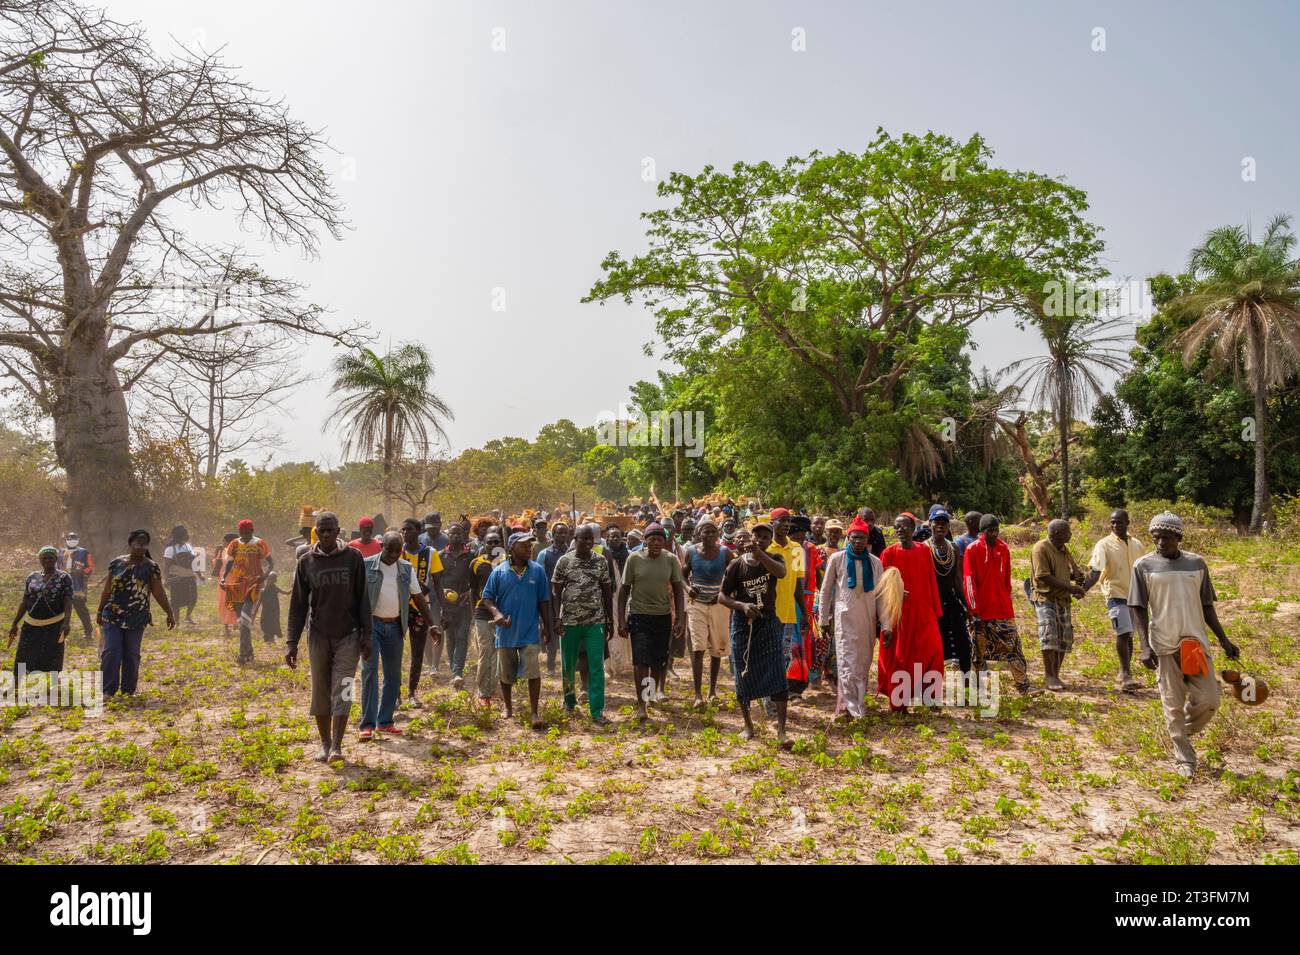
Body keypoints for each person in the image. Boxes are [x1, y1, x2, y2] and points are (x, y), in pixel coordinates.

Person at [1130, 512, 1239, 778]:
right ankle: (1184, 759)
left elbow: (1207, 606)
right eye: (1156, 537)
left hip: (1195, 644)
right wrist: (1145, 646)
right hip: (1165, 644)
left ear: (1178, 537)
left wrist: (1224, 640)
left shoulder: (1197, 564)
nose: (1160, 542)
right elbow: (1138, 607)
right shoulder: (1143, 566)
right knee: (1172, 702)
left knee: (1210, 700)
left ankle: (1180, 729)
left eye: (1166, 537)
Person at [286, 511, 372, 764]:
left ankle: (337, 745)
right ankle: (324, 743)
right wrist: (292, 642)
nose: (325, 534)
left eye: (329, 530)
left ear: (338, 531)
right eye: (321, 530)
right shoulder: (306, 561)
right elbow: (298, 605)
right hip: (319, 635)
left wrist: (367, 636)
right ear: (316, 532)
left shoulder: (353, 558)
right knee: (321, 691)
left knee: (344, 688)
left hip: (349, 634)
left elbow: (363, 599)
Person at [719, 526, 789, 743]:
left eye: (765, 537)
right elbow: (722, 596)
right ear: (750, 537)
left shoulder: (774, 558)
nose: (760, 539)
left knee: (777, 673)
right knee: (742, 673)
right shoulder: (736, 565)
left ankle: (782, 731)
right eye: (757, 535)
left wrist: (760, 555)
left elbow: (781, 573)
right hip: (743, 625)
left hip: (768, 622)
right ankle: (748, 726)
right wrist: (741, 605)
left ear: (770, 541)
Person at [360, 532, 432, 739]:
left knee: (393, 676)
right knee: (370, 672)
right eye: (389, 549)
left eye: (396, 551)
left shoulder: (405, 569)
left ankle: (385, 721)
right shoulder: (366, 566)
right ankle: (367, 725)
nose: (392, 554)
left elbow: (418, 598)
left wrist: (432, 623)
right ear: (381, 545)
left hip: (395, 627)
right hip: (371, 626)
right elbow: (355, 597)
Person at [480, 530, 554, 729]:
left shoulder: (537, 571)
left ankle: (534, 712)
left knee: (533, 671)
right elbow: (487, 597)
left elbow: (544, 601)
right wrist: (497, 614)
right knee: (505, 673)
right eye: (524, 545)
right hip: (506, 632)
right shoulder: (499, 571)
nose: (529, 548)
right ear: (512, 548)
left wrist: (547, 627)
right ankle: (508, 708)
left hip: (530, 630)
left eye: (530, 545)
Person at [819, 516, 887, 719]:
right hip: (844, 620)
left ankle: (858, 703)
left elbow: (882, 596)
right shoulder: (837, 559)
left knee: (863, 663)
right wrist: (823, 620)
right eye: (854, 538)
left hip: (867, 620)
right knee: (846, 662)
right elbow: (825, 590)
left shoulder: (875, 563)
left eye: (862, 538)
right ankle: (848, 709)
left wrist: (886, 624)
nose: (858, 542)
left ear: (867, 540)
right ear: (848, 538)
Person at [963, 515, 1039, 696]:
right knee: (977, 652)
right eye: (991, 531)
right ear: (982, 532)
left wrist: (1007, 601)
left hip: (1002, 609)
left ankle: (1023, 686)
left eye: (996, 530)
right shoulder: (972, 550)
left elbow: (1007, 581)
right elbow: (969, 581)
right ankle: (976, 691)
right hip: (980, 612)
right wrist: (974, 611)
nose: (994, 534)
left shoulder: (1003, 548)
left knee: (1014, 646)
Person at [617, 523, 686, 719]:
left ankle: (651, 694)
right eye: (652, 539)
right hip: (639, 616)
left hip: (662, 616)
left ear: (664, 542)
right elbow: (624, 591)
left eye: (659, 540)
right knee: (641, 661)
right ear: (645, 541)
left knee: (658, 661)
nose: (656, 543)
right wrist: (621, 620)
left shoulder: (671, 560)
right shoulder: (634, 559)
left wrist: (679, 617)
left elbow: (678, 589)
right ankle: (641, 705)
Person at [96, 530, 176, 697]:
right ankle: (107, 690)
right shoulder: (116, 563)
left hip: (137, 617)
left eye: (144, 544)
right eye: (137, 544)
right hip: (112, 614)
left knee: (132, 654)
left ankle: (128, 690)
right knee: (111, 651)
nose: (141, 547)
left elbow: (158, 592)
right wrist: (99, 610)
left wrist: (169, 612)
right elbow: (107, 589)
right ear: (130, 544)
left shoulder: (151, 567)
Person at [878, 513, 945, 712]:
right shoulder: (888, 554)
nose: (900, 530)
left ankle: (930, 696)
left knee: (933, 651)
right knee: (901, 657)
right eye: (897, 527)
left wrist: (935, 609)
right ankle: (900, 702)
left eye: (904, 526)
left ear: (913, 528)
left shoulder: (924, 551)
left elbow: (931, 580)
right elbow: (882, 588)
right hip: (899, 613)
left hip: (923, 611)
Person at [552, 524, 614, 724]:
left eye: (591, 540)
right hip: (570, 622)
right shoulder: (564, 561)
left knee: (596, 666)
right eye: (584, 539)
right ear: (575, 538)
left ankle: (597, 711)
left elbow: (606, 590)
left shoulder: (601, 561)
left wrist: (610, 619)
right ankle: (569, 703)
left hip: (595, 622)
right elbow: (556, 593)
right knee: (568, 665)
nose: (588, 543)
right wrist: (557, 618)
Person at [1082, 509, 1146, 692]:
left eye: (1119, 522)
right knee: (1123, 632)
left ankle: (1124, 673)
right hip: (1115, 594)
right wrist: (1082, 589)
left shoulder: (1137, 545)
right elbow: (1095, 570)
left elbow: (1143, 570)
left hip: (1134, 596)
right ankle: (1125, 675)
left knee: (1129, 635)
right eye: (1112, 522)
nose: (1115, 525)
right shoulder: (1104, 545)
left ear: (1128, 522)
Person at [1029, 519, 1086, 691]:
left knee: (1063, 638)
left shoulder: (1063, 550)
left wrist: (1075, 576)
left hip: (1062, 599)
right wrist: (1071, 587)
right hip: (1045, 597)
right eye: (1067, 532)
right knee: (1049, 636)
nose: (1070, 534)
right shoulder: (1041, 548)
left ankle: (1056, 674)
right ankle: (1049, 675)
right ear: (1056, 534)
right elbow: (1044, 576)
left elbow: (1060, 572)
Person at [682, 519, 733, 706]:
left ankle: (712, 691)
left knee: (716, 648)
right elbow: (682, 575)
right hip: (697, 604)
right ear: (699, 534)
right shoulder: (692, 552)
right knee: (697, 647)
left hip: (719, 605)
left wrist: (723, 592)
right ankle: (697, 695)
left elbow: (733, 573)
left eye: (713, 532)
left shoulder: (725, 553)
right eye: (706, 532)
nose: (710, 535)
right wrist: (688, 589)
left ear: (718, 534)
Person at [8, 546, 74, 680]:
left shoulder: (64, 577)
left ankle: (55, 686)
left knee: (53, 654)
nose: (47, 560)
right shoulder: (32, 577)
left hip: (54, 623)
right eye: (44, 558)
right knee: (23, 653)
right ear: (40, 560)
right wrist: (15, 623)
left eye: (50, 557)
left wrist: (66, 623)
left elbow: (68, 602)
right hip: (31, 623)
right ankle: (15, 683)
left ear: (56, 559)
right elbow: (25, 601)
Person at [220, 520, 273, 665]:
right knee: (242, 622)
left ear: (252, 531)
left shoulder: (259, 543)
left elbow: (271, 563)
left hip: (253, 584)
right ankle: (249, 653)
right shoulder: (235, 544)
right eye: (241, 533)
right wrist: (223, 579)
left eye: (246, 533)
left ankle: (243, 655)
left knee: (244, 619)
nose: (243, 536)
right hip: (237, 585)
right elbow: (229, 563)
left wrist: (265, 576)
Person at [766, 508, 804, 710]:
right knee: (770, 656)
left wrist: (804, 613)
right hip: (769, 613)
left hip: (789, 613)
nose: (786, 525)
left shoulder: (797, 549)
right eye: (782, 521)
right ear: (773, 523)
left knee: (785, 657)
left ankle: (776, 695)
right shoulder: (766, 548)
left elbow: (798, 583)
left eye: (788, 521)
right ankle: (770, 700)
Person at [927, 510, 972, 677]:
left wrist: (966, 605)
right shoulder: (924, 548)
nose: (941, 525)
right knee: (933, 646)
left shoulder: (953, 547)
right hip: (932, 603)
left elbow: (957, 579)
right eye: (937, 522)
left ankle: (966, 687)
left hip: (951, 601)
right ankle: (930, 687)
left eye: (944, 522)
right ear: (930, 524)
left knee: (963, 644)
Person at [470, 530, 505, 705]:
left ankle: (493, 689)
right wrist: (472, 614)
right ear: (483, 543)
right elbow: (473, 590)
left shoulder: (507, 563)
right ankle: (483, 693)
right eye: (489, 542)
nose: (492, 545)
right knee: (485, 651)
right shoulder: (476, 564)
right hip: (482, 613)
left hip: (502, 614)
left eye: (496, 542)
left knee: (499, 653)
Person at [436, 521, 471, 692]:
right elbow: (436, 580)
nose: (455, 536)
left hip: (464, 604)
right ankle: (454, 672)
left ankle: (457, 671)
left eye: (459, 533)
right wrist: (443, 591)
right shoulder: (441, 555)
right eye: (452, 534)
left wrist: (469, 593)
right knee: (450, 638)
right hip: (447, 604)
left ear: (464, 536)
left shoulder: (471, 555)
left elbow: (476, 580)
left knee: (462, 637)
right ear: (448, 536)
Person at [56, 532, 94, 644]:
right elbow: (57, 566)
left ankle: (88, 633)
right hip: (62, 585)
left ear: (78, 539)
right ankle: (60, 633)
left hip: (78, 585)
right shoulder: (60, 552)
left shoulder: (84, 552)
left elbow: (90, 567)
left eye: (74, 538)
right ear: (65, 540)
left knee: (81, 610)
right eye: (69, 538)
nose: (72, 540)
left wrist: (82, 572)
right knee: (60, 610)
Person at [162, 524, 202, 626]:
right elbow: (166, 566)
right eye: (184, 533)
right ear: (179, 535)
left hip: (189, 577)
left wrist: (199, 574)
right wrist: (166, 579)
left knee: (193, 598)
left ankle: (188, 617)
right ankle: (177, 621)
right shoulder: (170, 549)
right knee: (176, 601)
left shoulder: (188, 546)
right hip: (176, 578)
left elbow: (193, 562)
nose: (186, 535)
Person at [213, 532, 238, 636]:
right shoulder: (222, 551)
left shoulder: (237, 552)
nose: (222, 542)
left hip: (234, 580)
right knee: (224, 603)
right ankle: (226, 626)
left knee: (233, 602)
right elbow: (216, 563)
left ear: (229, 542)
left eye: (224, 541)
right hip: (224, 580)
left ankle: (234, 623)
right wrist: (217, 552)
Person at [259, 570, 285, 644]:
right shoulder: (263, 591)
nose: (271, 581)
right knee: (264, 623)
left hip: (274, 611)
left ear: (275, 581)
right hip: (265, 611)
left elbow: (285, 592)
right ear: (268, 579)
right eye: (270, 579)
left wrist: (293, 588)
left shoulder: (275, 588)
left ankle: (271, 639)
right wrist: (254, 611)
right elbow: (258, 602)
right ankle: (267, 637)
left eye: (273, 580)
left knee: (273, 623)